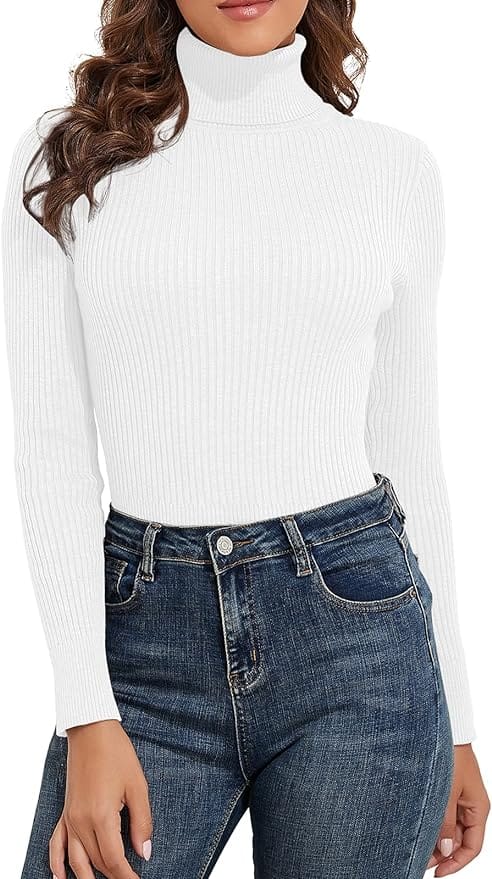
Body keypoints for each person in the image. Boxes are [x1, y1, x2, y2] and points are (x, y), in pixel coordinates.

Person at [1, 1, 489, 877]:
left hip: (362, 648)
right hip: (143, 650)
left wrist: (458, 718)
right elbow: (51, 444)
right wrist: (86, 711)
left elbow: (410, 451)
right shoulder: (70, 157)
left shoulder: (393, 170)